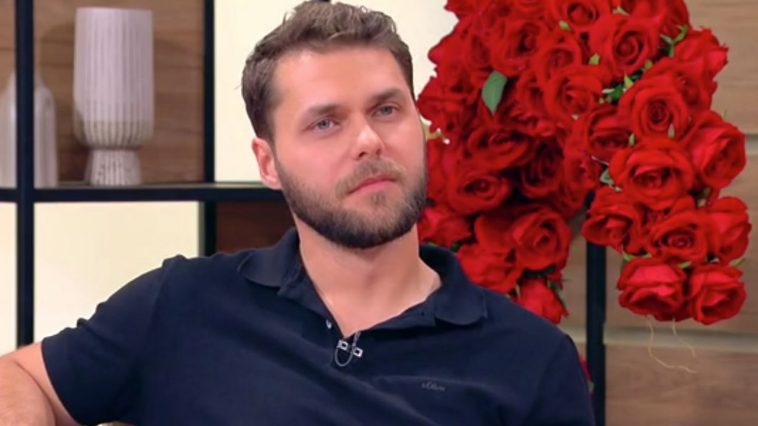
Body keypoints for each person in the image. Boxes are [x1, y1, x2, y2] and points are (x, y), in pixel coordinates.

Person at [0, 1, 594, 425]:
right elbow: (20, 378)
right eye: (326, 122)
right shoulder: (181, 304)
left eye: (387, 110)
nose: (368, 140)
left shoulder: (531, 359)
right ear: (269, 162)